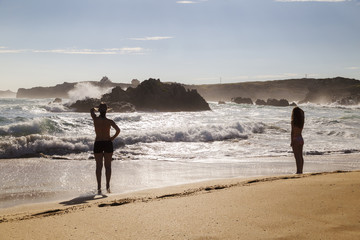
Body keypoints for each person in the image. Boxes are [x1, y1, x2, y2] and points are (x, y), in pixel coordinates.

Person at [91, 102, 120, 194]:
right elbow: (118, 130)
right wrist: (112, 138)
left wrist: (98, 108)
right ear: (107, 111)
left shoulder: (95, 119)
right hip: (108, 143)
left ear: (99, 110)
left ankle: (99, 187)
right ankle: (107, 186)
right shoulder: (110, 121)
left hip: (98, 143)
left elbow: (91, 110)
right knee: (108, 166)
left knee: (99, 166)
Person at [291, 107, 305, 174]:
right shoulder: (301, 122)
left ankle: (298, 171)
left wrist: (291, 141)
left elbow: (292, 132)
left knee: (297, 157)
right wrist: (301, 112)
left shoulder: (293, 122)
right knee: (301, 156)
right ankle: (301, 170)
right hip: (301, 139)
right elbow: (303, 113)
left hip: (295, 139)